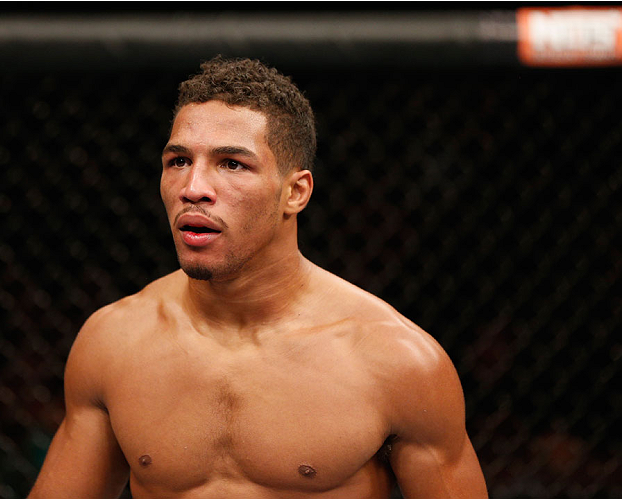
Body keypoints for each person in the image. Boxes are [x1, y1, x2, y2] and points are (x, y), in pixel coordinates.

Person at [28, 56, 488, 499]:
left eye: (232, 164)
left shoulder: (397, 362)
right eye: (179, 161)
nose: (193, 188)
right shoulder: (114, 342)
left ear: (295, 192)